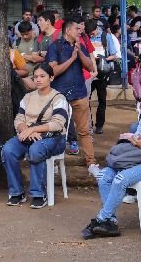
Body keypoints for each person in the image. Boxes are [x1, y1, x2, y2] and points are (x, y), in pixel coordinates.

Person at [82, 85, 141, 239]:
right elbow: (139, 132)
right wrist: (134, 139)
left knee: (120, 179)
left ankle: (100, 219)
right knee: (103, 176)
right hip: (139, 156)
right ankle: (110, 222)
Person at [2, 64, 69, 209]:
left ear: (51, 78)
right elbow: (18, 119)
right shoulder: (28, 97)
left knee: (36, 150)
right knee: (8, 150)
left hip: (54, 138)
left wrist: (33, 130)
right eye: (36, 77)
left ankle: (39, 194)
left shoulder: (58, 98)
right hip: (29, 134)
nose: (38, 80)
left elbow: (57, 124)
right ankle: (17, 192)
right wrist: (25, 130)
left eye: (42, 76)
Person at [44, 16, 98, 175]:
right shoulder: (55, 47)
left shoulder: (80, 45)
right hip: (59, 95)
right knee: (55, 129)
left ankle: (91, 164)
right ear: (68, 30)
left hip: (80, 93)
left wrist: (79, 52)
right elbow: (53, 71)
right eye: (77, 29)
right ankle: (53, 160)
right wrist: (71, 59)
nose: (80, 31)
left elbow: (89, 67)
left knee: (84, 131)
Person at [91, 22, 121, 135]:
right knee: (85, 100)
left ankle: (99, 125)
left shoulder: (106, 37)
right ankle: (88, 124)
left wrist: (103, 59)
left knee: (102, 100)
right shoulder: (86, 37)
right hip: (89, 73)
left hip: (102, 73)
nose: (92, 35)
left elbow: (114, 54)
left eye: (93, 32)